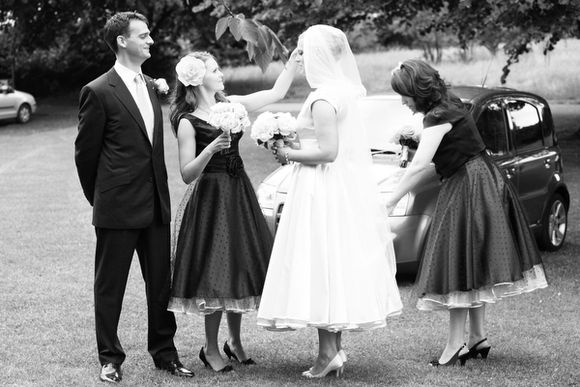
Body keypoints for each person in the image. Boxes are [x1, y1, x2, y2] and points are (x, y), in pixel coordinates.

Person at [257, 25, 403, 378]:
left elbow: (328, 151)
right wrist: (293, 148)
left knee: (320, 263)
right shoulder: (345, 91)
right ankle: (333, 349)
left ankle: (326, 354)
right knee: (331, 263)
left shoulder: (323, 98)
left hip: (320, 189)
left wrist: (287, 151)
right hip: (338, 189)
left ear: (319, 57)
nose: (302, 62)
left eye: (304, 55)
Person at [386, 59, 548, 366]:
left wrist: (390, 201)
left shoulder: (437, 116)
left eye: (403, 94)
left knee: (457, 261)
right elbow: (438, 157)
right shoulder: (451, 104)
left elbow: (422, 166)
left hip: (468, 185)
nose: (402, 101)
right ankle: (477, 337)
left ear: (417, 91)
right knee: (472, 259)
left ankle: (454, 345)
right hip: (480, 178)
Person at [74, 11, 194, 383]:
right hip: (117, 208)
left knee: (161, 285)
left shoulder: (152, 85)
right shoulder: (97, 91)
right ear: (122, 41)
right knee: (110, 287)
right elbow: (85, 156)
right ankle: (110, 358)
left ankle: (165, 354)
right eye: (143, 36)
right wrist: (103, 199)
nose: (151, 41)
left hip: (155, 203)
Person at [167, 49, 299, 373]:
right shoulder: (188, 122)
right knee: (216, 270)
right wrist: (211, 147)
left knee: (238, 265)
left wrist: (293, 63)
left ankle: (235, 342)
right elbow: (186, 174)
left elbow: (275, 93)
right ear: (198, 78)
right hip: (211, 198)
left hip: (238, 194)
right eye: (215, 68)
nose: (221, 73)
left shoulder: (231, 104)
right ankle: (210, 349)